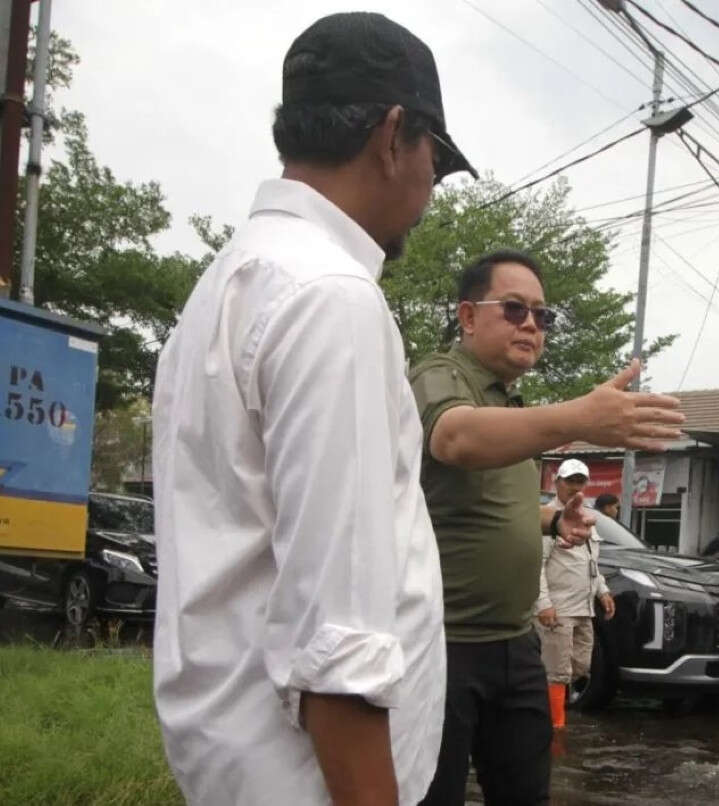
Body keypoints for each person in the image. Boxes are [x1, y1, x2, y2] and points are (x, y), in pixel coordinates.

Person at [151, 12, 477, 805]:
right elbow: (338, 646)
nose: (430, 189)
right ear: (395, 134)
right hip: (309, 781)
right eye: (436, 160)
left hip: (233, 762)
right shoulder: (331, 298)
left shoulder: (230, 282)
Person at [409, 248, 684, 805]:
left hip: (516, 643)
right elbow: (454, 439)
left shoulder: (513, 407)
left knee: (526, 795)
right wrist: (579, 417)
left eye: (543, 315)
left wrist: (554, 519)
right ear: (467, 316)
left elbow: (490, 505)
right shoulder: (439, 374)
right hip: (443, 646)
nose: (532, 324)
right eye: (514, 309)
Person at [535, 459, 616, 730]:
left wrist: (602, 590)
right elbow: (536, 565)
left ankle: (536, 699)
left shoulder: (586, 518)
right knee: (557, 671)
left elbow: (590, 561)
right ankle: (553, 726)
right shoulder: (548, 517)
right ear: (557, 482)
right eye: (570, 481)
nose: (575, 487)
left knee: (579, 666)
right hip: (559, 608)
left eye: (580, 481)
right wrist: (544, 604)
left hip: (584, 607)